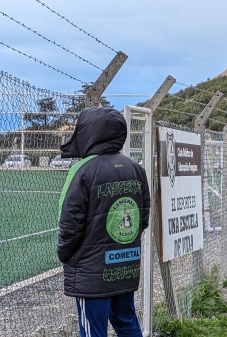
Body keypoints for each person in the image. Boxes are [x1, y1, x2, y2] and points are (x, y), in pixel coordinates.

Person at [57, 106, 150, 337]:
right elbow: (143, 216)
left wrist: (64, 253)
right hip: (125, 264)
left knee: (92, 330)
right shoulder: (136, 168)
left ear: (89, 132)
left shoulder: (82, 170)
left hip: (92, 271)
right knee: (127, 321)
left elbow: (70, 222)